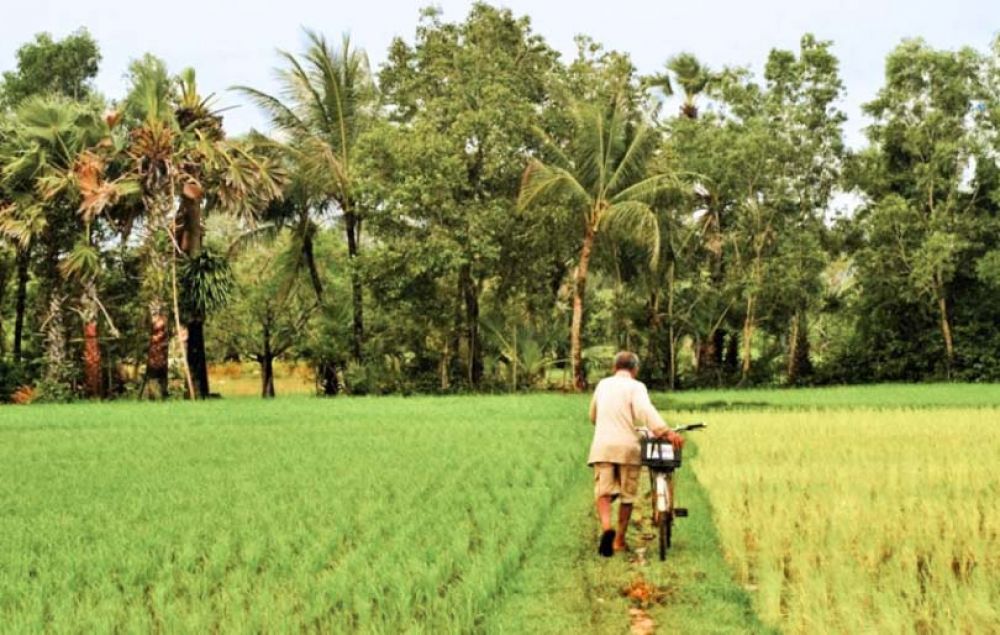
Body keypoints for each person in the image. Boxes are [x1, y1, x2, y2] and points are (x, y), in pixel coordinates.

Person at [587, 351, 684, 557]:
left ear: (614, 368)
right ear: (635, 369)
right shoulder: (636, 387)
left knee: (603, 492)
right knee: (627, 496)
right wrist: (665, 432)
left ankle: (606, 528)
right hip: (628, 448)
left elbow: (593, 416)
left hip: (602, 446)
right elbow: (645, 411)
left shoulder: (602, 385)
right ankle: (619, 540)